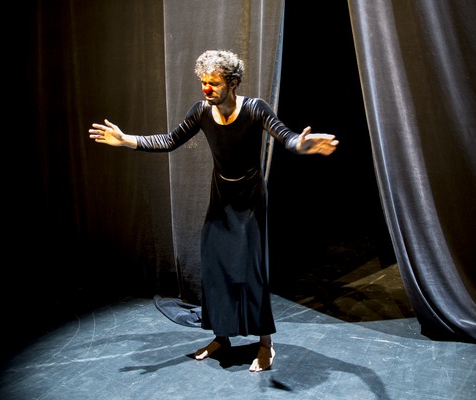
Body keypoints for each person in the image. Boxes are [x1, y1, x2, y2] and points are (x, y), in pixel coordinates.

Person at [89, 49, 338, 372]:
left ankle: (265, 343)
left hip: (250, 199)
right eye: (203, 82)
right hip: (221, 197)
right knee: (216, 266)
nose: (206, 89)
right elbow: (170, 140)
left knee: (251, 270)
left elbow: (285, 135)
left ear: (232, 83)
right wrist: (127, 140)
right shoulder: (201, 112)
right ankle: (222, 337)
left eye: (214, 83)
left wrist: (300, 145)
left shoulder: (255, 109)